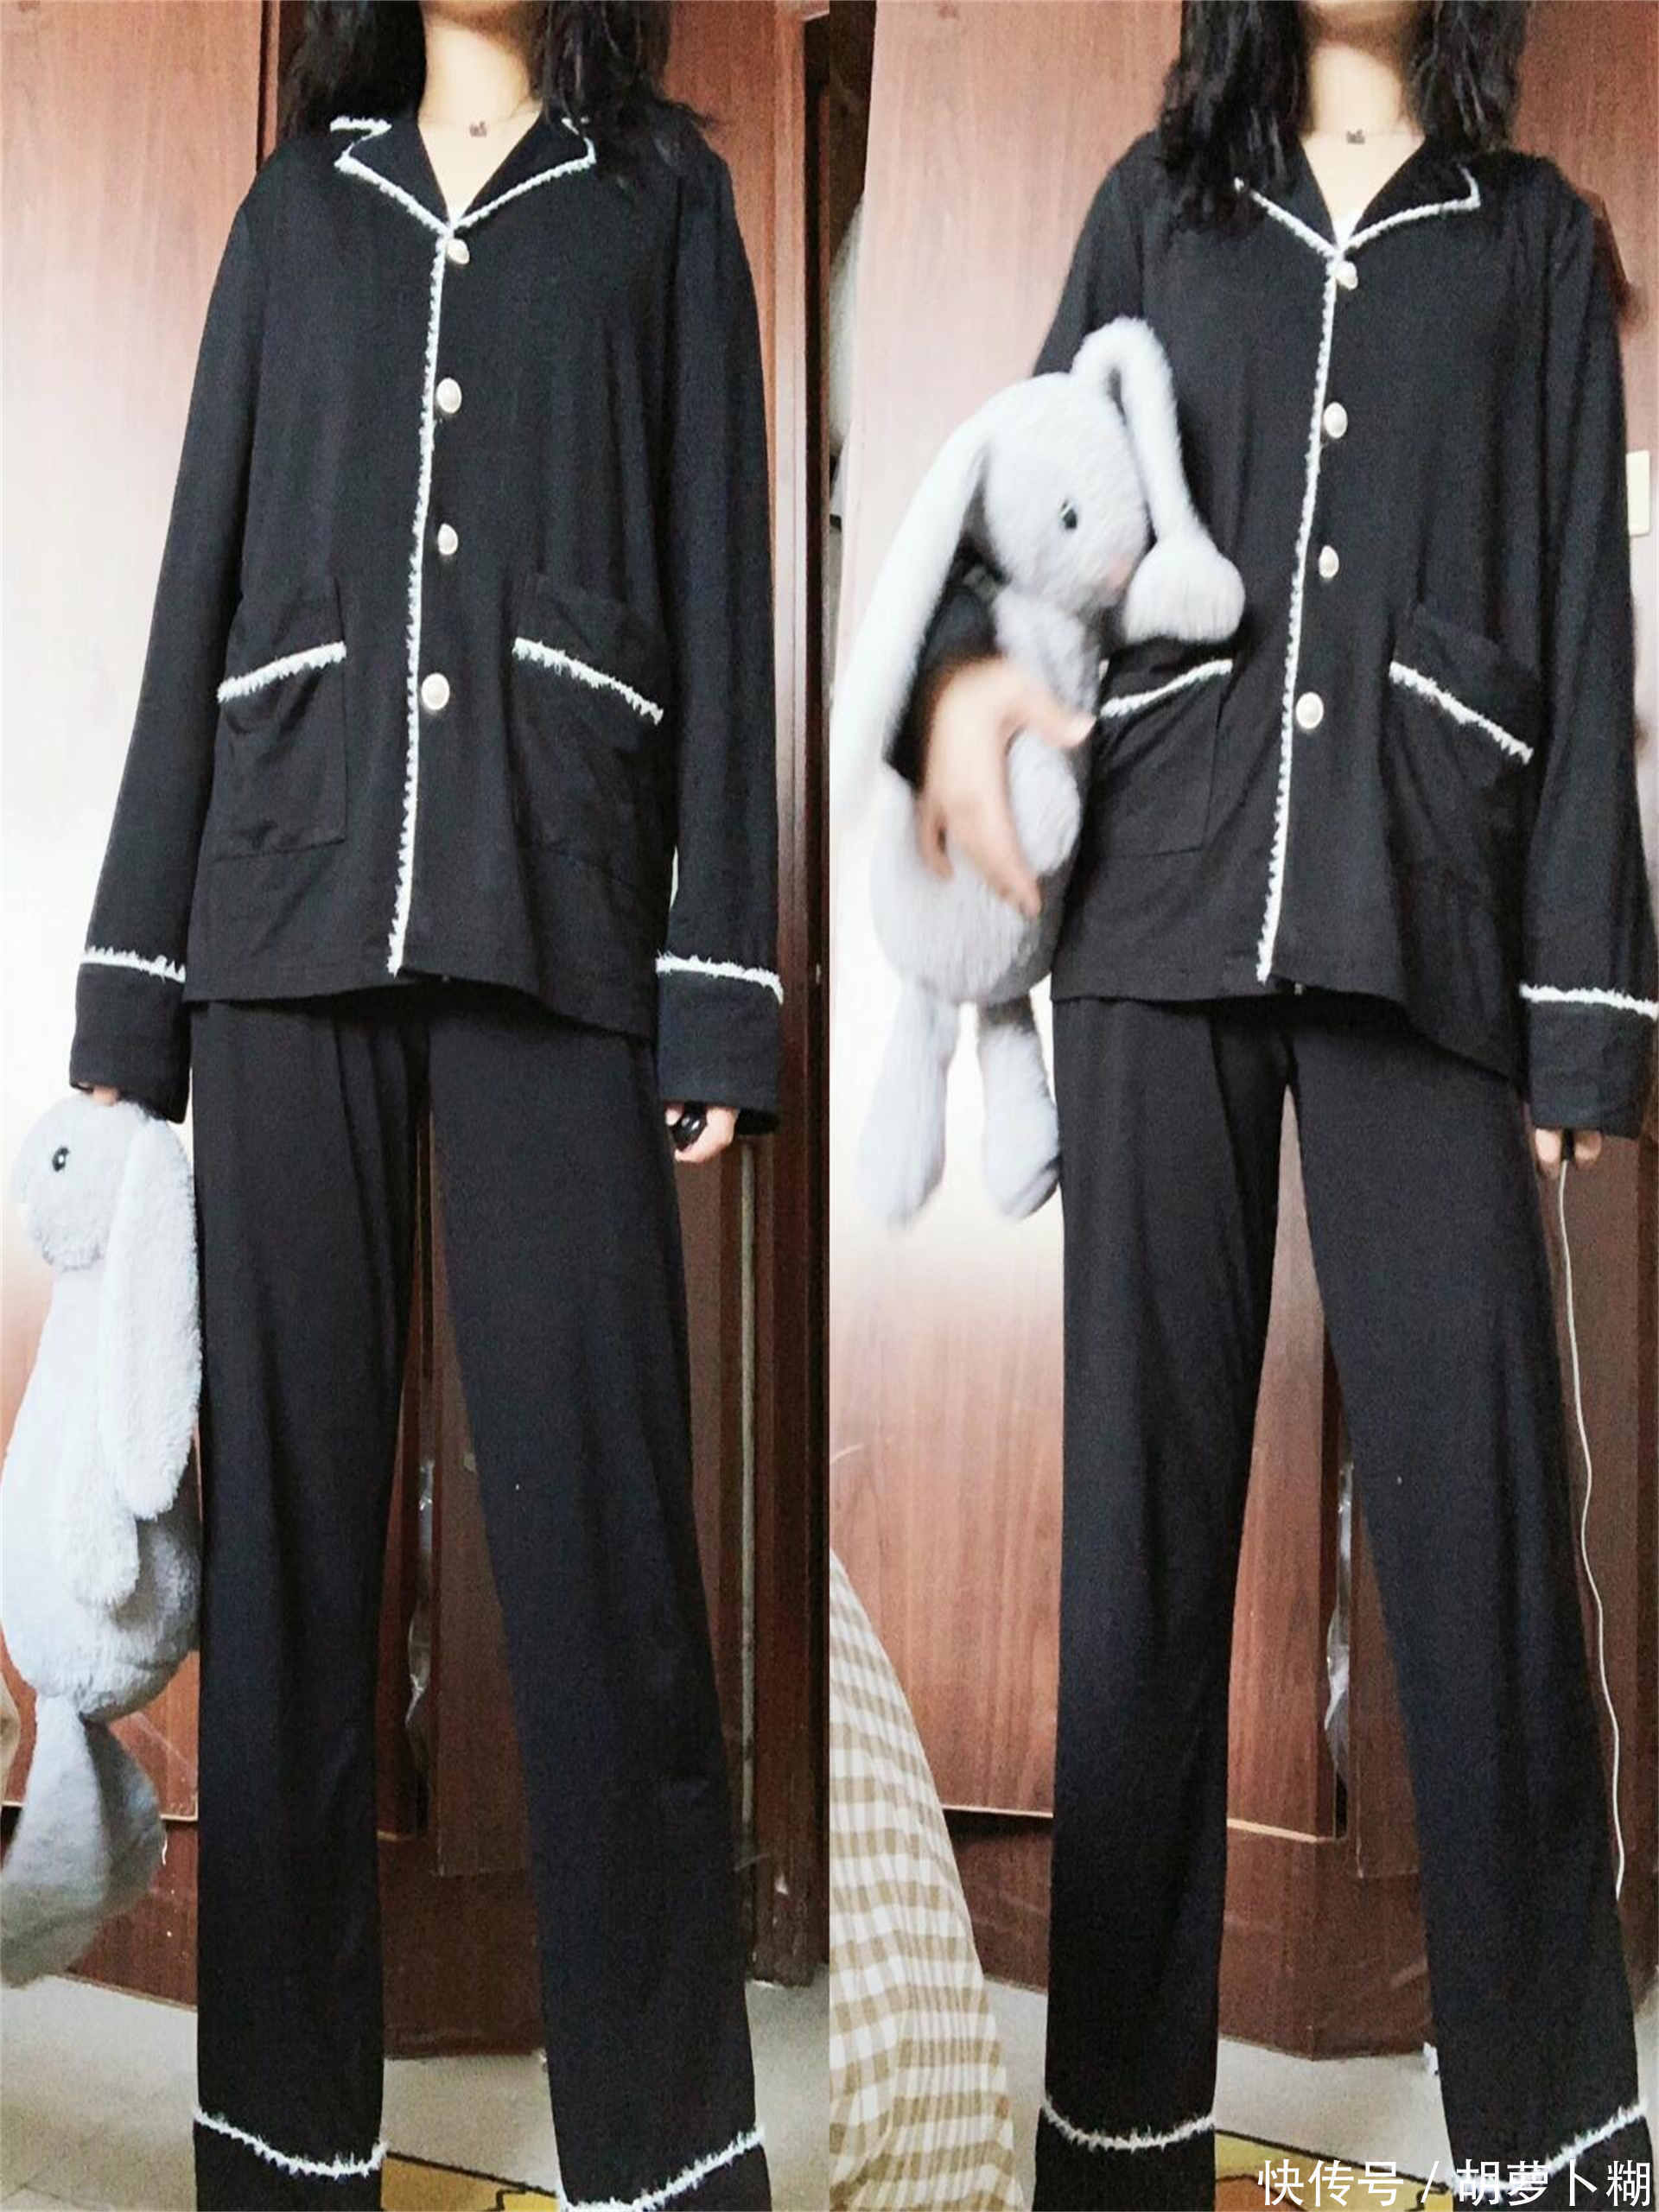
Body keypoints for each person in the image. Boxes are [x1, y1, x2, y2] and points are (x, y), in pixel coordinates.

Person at [893, 2, 1656, 2204]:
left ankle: (1558, 2141)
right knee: (1138, 1539)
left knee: (1488, 1527)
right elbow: (1019, 513)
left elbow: (1584, 623)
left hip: (1429, 900)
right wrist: (960, 704)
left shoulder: (1533, 244)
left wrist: (1586, 1011)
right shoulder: (1159, 210)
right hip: (1162, 893)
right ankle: (1124, 2138)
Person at [67, 3, 778, 2207]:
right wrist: (131, 988)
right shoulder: (298, 213)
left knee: (612, 1565)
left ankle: (667, 2157)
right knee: (286, 1586)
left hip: (564, 902)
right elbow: (197, 579)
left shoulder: (665, 200)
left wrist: (719, 987)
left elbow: (725, 584)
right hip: (281, 914)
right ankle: (282, 2155)